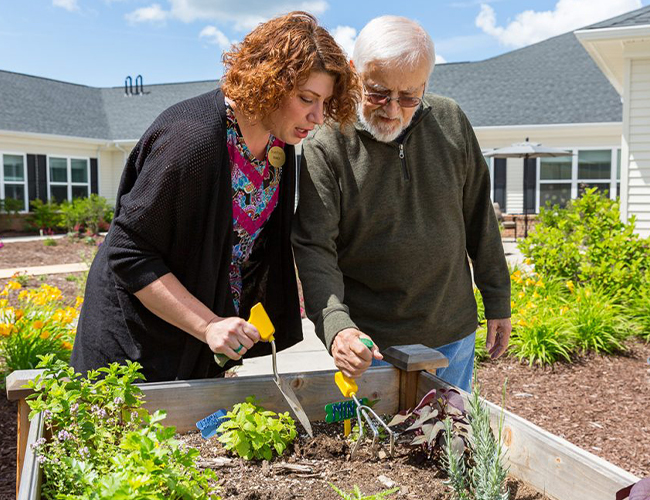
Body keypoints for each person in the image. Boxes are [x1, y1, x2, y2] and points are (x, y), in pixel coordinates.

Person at [70, 12, 360, 382]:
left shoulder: (279, 143)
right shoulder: (189, 141)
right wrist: (207, 324)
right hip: (135, 342)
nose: (317, 116)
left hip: (205, 334)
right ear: (271, 82)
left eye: (324, 103)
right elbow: (128, 253)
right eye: (307, 98)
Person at [291, 15, 511, 392]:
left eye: (409, 97)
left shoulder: (451, 120)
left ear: (425, 85)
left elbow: (479, 216)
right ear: (354, 72)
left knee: (450, 444)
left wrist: (497, 299)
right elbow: (314, 246)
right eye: (377, 93)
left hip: (453, 332)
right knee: (378, 449)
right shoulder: (326, 143)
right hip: (373, 346)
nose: (392, 110)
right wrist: (337, 326)